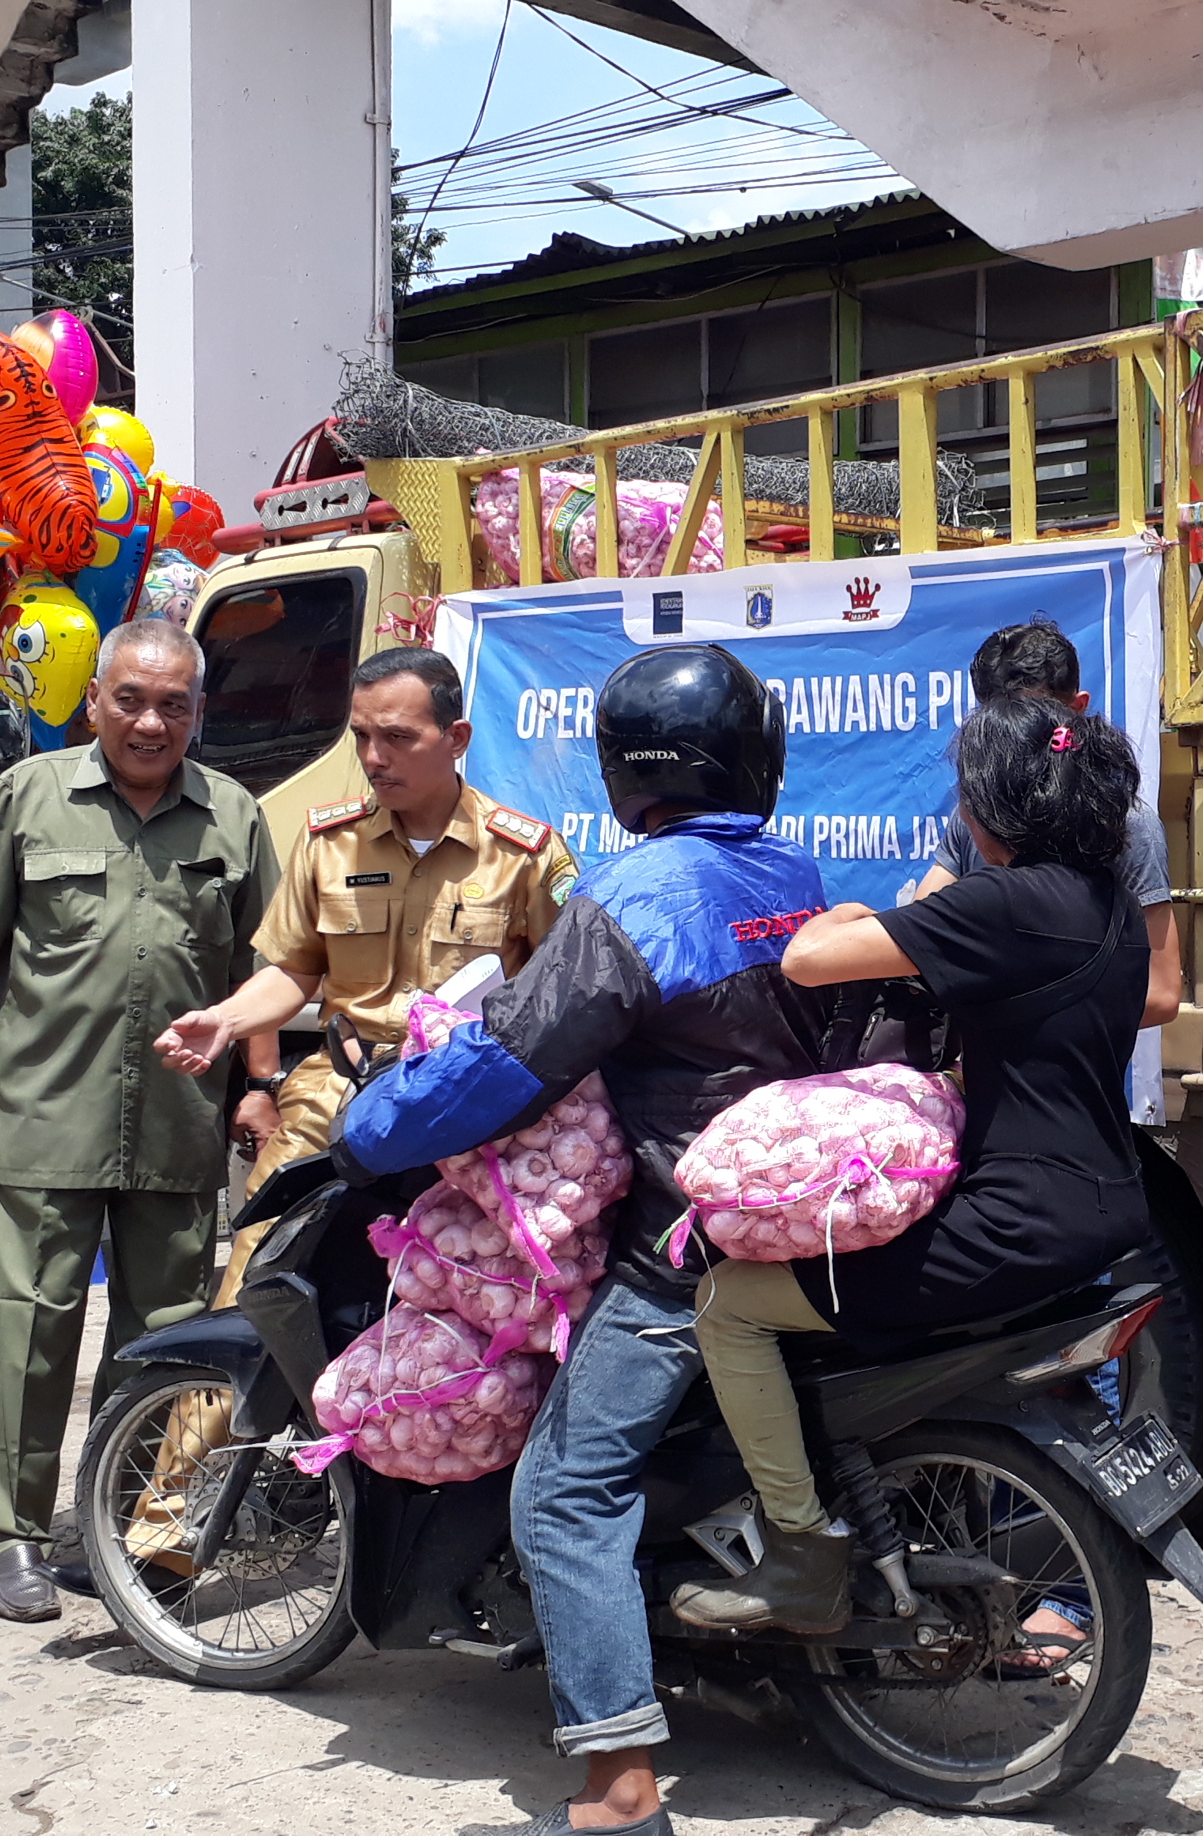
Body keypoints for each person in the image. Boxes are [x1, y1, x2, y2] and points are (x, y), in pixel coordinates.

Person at [331, 644, 834, 1836]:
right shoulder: (789, 869)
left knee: (560, 1494)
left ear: (630, 769)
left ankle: (619, 1790)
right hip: (801, 1213)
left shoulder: (637, 897)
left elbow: (512, 1056)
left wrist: (371, 1129)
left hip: (685, 1249)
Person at [672, 692, 1155, 1634]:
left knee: (731, 1302)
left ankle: (801, 1553)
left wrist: (853, 910)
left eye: (965, 792)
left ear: (996, 806)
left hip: (1012, 1223)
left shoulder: (1004, 903)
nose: (959, 811)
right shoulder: (1111, 908)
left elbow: (811, 960)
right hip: (1108, 1211)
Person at [0, 619, 276, 1623]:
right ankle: (9, 1539)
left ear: (197, 712)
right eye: (130, 700)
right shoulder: (30, 796)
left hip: (178, 1124)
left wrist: (261, 1083)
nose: (150, 722)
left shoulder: (232, 814)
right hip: (46, 1115)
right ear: (94, 701)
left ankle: (119, 1530)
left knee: (167, 1341)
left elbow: (262, 969)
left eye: (173, 705)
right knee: (26, 1334)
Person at [156, 646, 575, 1248]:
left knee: (458, 1272)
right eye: (362, 736)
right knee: (261, 1258)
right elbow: (295, 969)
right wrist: (226, 1020)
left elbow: (559, 998)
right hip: (341, 1089)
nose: (374, 758)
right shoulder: (329, 842)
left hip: (466, 1103)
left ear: (456, 738)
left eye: (398, 737)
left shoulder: (523, 856)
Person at [917, 617, 1178, 1028]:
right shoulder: (973, 815)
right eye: (1002, 724)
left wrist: (1018, 1020)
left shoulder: (1129, 824)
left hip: (1076, 1067)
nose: (1018, 741)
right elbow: (924, 935)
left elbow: (1161, 994)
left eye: (1037, 722)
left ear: (1078, 709)